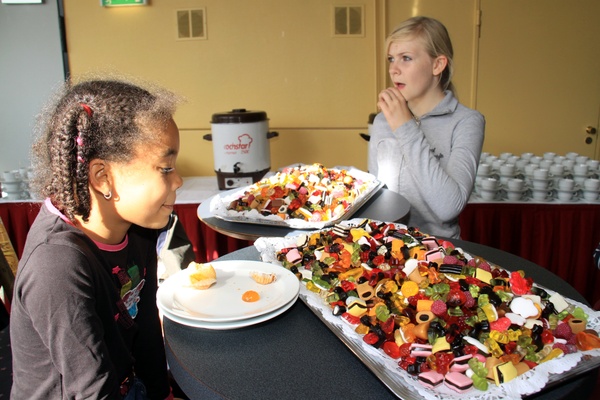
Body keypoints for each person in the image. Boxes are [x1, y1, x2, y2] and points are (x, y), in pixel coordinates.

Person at [10, 78, 183, 399]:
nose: (179, 180)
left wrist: (162, 393)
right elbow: (91, 388)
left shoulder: (139, 228)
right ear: (103, 176)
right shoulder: (56, 266)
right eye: (165, 168)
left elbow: (145, 328)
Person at [369, 16, 485, 238]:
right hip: (386, 252)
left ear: (437, 65)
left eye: (406, 58)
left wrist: (405, 127)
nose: (393, 69)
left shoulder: (467, 122)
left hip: (438, 257)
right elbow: (378, 198)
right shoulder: (383, 121)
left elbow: (448, 207)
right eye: (391, 59)